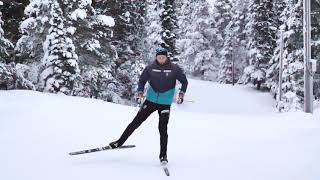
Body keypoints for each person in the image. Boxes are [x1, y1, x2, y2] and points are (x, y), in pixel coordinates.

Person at [108, 47, 188, 163]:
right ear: (156, 57)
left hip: (165, 103)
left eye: (163, 57)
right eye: (159, 57)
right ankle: (119, 142)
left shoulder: (174, 69)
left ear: (167, 57)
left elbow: (184, 82)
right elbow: (142, 80)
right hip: (150, 100)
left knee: (162, 129)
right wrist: (140, 92)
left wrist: (181, 93)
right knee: (135, 122)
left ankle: (163, 156)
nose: (161, 59)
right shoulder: (150, 68)